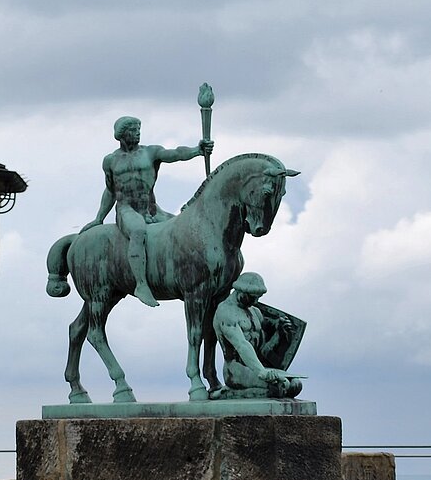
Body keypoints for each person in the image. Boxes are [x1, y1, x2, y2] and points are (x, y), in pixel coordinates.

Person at [81, 116, 212, 306]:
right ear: (122, 134)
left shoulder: (151, 152)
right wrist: (99, 218)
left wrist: (197, 150)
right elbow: (111, 191)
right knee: (138, 231)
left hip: (151, 209)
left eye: (139, 129)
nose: (138, 133)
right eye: (134, 130)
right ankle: (141, 284)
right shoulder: (110, 161)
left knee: (182, 229)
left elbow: (175, 154)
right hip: (127, 209)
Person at [212, 272, 303, 398]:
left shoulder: (255, 312)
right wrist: (261, 372)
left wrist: (280, 332)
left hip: (260, 366)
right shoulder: (225, 312)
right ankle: (229, 394)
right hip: (236, 370)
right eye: (253, 297)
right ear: (241, 292)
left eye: (258, 297)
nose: (256, 301)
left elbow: (263, 348)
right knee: (279, 387)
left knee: (295, 385)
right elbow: (241, 345)